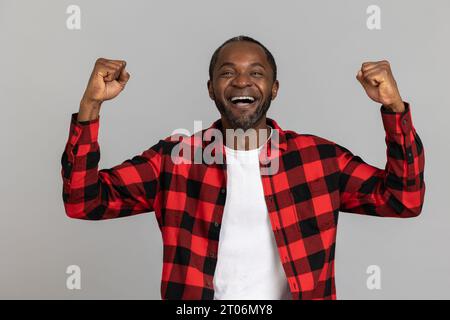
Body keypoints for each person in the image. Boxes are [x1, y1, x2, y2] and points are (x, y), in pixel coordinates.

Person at [61, 35, 425, 300]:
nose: (241, 81)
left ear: (274, 88)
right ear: (210, 88)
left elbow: (403, 200)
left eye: (256, 72)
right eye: (227, 73)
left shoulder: (320, 159)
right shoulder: (174, 160)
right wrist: (91, 105)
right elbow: (83, 202)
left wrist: (393, 108)